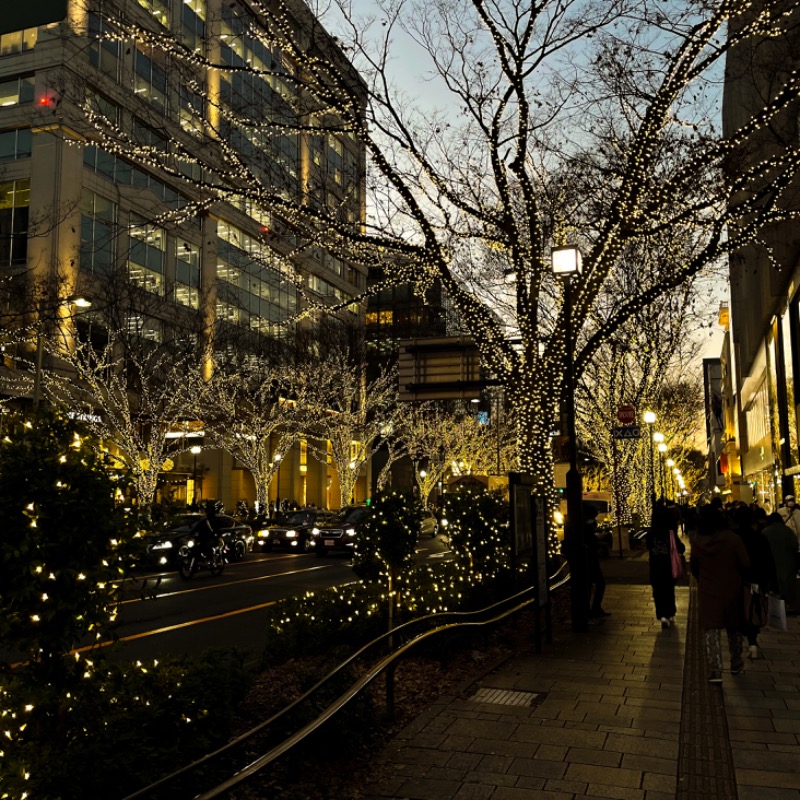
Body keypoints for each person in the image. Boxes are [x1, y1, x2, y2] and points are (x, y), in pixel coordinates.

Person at [690, 505, 750, 684]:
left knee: (711, 629)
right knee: (734, 627)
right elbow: (745, 563)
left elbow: (694, 566)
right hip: (732, 588)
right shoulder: (733, 539)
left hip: (709, 589)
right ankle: (736, 662)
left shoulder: (698, 541)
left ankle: (715, 669)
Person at [732, 506, 777, 660]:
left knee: (738, 611)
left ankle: (737, 647)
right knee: (753, 610)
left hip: (737, 581)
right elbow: (769, 561)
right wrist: (773, 584)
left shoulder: (734, 537)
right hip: (756, 581)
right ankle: (752, 643)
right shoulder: (760, 537)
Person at [646, 502, 685, 628]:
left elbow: (648, 546)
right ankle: (670, 613)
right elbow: (681, 548)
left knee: (658, 591)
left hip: (655, 566)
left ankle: (662, 615)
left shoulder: (651, 534)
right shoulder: (670, 534)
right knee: (669, 590)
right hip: (669, 566)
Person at [762, 511, 799, 616]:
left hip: (771, 565)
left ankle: (776, 611)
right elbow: (795, 545)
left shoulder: (765, 532)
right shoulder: (787, 531)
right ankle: (788, 607)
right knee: (787, 587)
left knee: (774, 589)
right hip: (788, 563)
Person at [583, 503, 609, 618]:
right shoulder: (585, 527)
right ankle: (593, 608)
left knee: (591, 584)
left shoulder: (585, 525)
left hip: (589, 559)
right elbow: (590, 539)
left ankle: (591, 608)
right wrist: (598, 538)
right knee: (599, 583)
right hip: (589, 560)